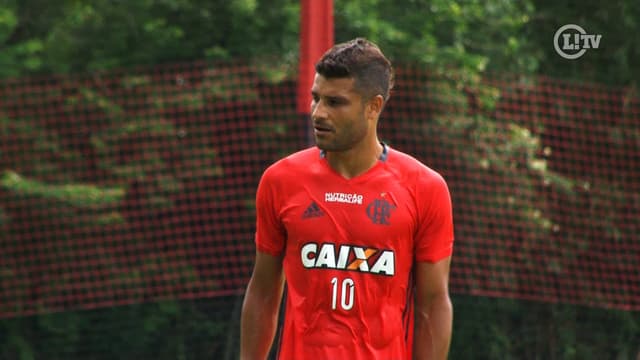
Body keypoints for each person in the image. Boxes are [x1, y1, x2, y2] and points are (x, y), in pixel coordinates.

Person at [240, 38, 454, 360]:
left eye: (335, 102)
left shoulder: (425, 188)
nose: (318, 113)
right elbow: (263, 292)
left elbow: (433, 304)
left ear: (373, 106)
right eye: (316, 99)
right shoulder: (280, 180)